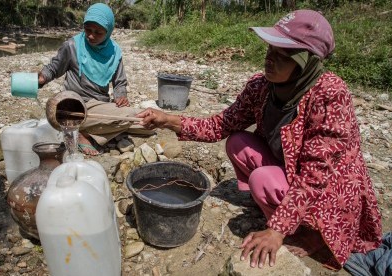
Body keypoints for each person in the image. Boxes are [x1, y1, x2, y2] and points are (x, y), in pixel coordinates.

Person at [137, 10, 382, 270]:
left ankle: (310, 234)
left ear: (304, 62)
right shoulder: (261, 86)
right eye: (269, 50)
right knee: (237, 141)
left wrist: (276, 231)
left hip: (328, 191)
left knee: (262, 179)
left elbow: (316, 175)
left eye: (280, 55)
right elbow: (221, 125)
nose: (268, 60)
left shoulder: (329, 94)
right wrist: (168, 120)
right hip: (289, 170)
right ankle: (274, 203)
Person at [38, 3, 153, 155]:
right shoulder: (72, 46)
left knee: (148, 125)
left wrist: (121, 96)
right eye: (88, 30)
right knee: (134, 120)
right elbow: (53, 68)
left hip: (99, 104)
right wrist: (41, 79)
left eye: (98, 32)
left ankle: (82, 128)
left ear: (109, 31)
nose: (91, 36)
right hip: (75, 105)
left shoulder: (114, 52)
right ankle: (86, 134)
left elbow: (119, 81)